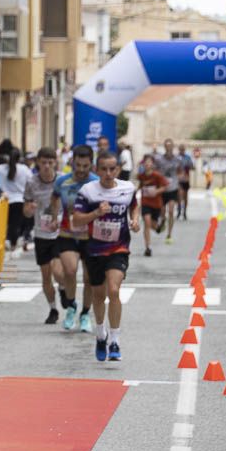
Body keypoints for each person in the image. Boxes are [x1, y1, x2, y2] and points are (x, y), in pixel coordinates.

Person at [72, 151, 140, 361]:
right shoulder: (88, 191)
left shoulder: (127, 188)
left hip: (118, 248)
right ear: (97, 170)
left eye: (112, 169)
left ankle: (115, 340)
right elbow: (76, 220)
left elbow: (134, 207)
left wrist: (135, 221)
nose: (109, 173)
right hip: (94, 250)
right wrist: (95, 214)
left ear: (118, 169)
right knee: (99, 295)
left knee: (114, 290)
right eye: (104, 169)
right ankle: (100, 335)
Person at [50, 145, 97, 333]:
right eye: (78, 165)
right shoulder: (62, 181)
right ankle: (71, 306)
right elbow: (54, 198)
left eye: (85, 166)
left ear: (91, 164)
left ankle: (85, 313)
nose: (81, 170)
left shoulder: (96, 182)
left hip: (91, 236)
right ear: (72, 162)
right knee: (69, 271)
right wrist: (54, 217)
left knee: (89, 277)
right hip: (67, 233)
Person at [23, 147, 61, 324]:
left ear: (55, 162)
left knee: (58, 270)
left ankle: (63, 288)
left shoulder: (62, 181)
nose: (46, 166)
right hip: (41, 234)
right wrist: (29, 210)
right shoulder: (31, 182)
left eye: (50, 162)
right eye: (43, 162)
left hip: (60, 234)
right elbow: (27, 211)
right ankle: (53, 308)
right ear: (38, 162)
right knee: (46, 275)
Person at [0, 143, 30, 258]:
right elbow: (30, 182)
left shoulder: (0, 169)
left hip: (4, 201)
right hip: (19, 200)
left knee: (4, 223)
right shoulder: (24, 169)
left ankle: (4, 241)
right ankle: (12, 242)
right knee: (15, 224)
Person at [135, 153, 170, 257]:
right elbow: (140, 186)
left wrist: (157, 191)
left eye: (149, 162)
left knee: (152, 225)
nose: (147, 165)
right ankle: (148, 247)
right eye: (145, 163)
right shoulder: (141, 176)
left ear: (152, 164)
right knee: (146, 222)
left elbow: (166, 186)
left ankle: (158, 227)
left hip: (156, 204)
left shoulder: (157, 176)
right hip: (145, 203)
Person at [156, 139, 181, 243]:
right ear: (164, 147)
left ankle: (169, 234)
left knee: (171, 211)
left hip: (173, 188)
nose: (168, 148)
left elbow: (179, 171)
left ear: (173, 147)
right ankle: (163, 220)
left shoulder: (177, 160)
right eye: (167, 146)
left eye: (170, 146)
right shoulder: (160, 159)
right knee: (162, 213)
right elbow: (156, 172)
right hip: (163, 189)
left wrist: (178, 182)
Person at [176, 144, 194, 220]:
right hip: (179, 179)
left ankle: (184, 212)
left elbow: (192, 166)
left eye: (183, 149)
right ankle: (179, 210)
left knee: (185, 197)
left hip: (186, 179)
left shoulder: (188, 157)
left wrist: (189, 166)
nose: (182, 151)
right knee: (179, 196)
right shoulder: (176, 157)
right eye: (180, 149)